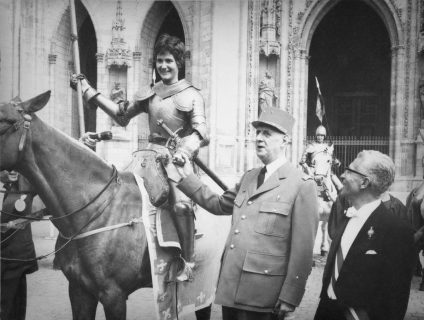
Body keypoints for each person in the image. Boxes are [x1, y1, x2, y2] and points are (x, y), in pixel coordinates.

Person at [71, 34, 209, 276]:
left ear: (178, 63)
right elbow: (121, 114)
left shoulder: (192, 95)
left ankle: (188, 261)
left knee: (181, 206)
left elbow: (201, 133)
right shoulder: (149, 93)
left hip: (177, 160)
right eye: (159, 61)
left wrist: (186, 150)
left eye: (168, 61)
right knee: (114, 191)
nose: (163, 66)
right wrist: (88, 90)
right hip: (147, 159)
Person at [175, 107, 319, 320]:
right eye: (258, 132)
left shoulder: (301, 185)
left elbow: (303, 251)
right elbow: (217, 204)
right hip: (231, 289)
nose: (259, 138)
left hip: (264, 295)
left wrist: (290, 297)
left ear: (285, 141)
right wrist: (187, 176)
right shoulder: (249, 177)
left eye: (267, 134)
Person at [314, 150, 416, 320]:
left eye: (349, 171)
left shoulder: (397, 230)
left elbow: (395, 300)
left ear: (364, 183)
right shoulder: (347, 217)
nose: (343, 175)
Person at [1, 171, 38, 320]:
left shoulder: (25, 187)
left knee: (13, 306)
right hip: (7, 256)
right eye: (8, 167)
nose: (11, 171)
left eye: (15, 167)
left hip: (15, 256)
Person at [300, 125, 342, 202]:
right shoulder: (311, 146)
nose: (320, 137)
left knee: (340, 187)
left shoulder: (328, 146)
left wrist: (336, 162)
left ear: (324, 136)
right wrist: (309, 171)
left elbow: (332, 158)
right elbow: (302, 161)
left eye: (322, 136)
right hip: (314, 172)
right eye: (319, 135)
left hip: (327, 172)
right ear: (316, 136)